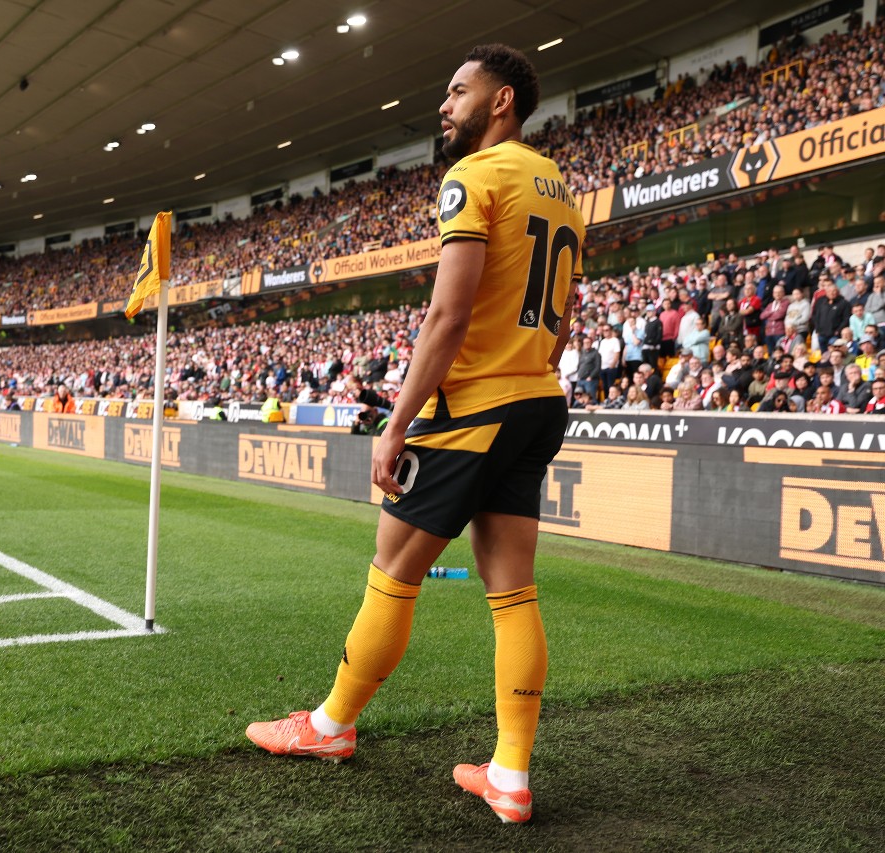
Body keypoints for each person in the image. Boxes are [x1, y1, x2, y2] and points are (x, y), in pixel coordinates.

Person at [246, 44, 585, 826]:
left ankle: (328, 726)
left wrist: (396, 423)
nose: (445, 104)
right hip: (537, 398)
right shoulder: (562, 189)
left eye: (458, 91)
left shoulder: (474, 177)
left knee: (393, 570)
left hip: (472, 407)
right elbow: (564, 317)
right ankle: (510, 773)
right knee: (512, 590)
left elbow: (448, 314)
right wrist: (527, 373)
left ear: (500, 101)